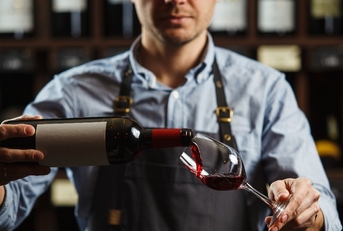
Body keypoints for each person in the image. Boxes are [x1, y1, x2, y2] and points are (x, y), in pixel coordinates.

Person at [0, 0, 342, 230]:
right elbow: (12, 201)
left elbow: (321, 205)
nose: (175, 0)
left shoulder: (266, 89)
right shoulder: (72, 90)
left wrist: (306, 214)